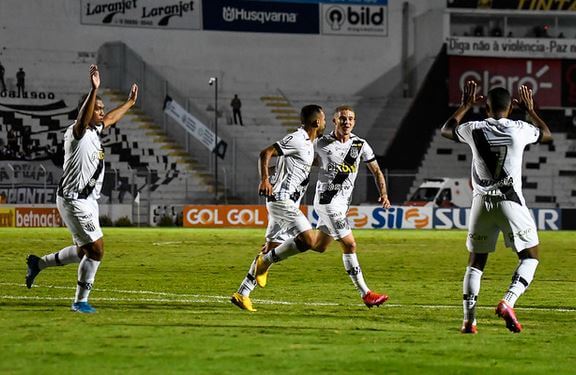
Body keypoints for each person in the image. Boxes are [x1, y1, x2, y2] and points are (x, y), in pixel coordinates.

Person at [441, 81, 552, 334]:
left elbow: (447, 130)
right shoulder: (519, 129)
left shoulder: (473, 127)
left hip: (481, 203)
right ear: (510, 108)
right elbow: (547, 134)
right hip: (510, 200)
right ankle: (507, 301)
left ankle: (469, 322)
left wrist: (465, 106)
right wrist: (530, 111)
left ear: (486, 108)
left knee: (476, 262)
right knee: (530, 256)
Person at [25, 64, 138, 313]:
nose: (101, 112)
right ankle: (80, 301)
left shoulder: (95, 131)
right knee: (97, 250)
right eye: (96, 108)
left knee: (83, 250)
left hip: (87, 201)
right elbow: (85, 118)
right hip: (74, 199)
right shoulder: (76, 133)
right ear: (84, 112)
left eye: (101, 108)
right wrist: (93, 89)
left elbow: (109, 119)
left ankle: (38, 264)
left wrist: (129, 103)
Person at [231, 104, 326, 311]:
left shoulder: (309, 145)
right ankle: (264, 262)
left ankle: (242, 292)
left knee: (272, 247)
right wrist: (265, 179)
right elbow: (266, 152)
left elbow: (287, 165)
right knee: (309, 240)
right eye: (324, 119)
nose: (325, 122)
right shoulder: (299, 138)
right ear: (317, 122)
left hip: (285, 201)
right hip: (282, 200)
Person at [311, 105, 391, 307]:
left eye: (351, 119)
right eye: (343, 118)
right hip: (327, 202)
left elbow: (377, 171)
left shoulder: (359, 145)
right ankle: (366, 294)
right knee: (350, 244)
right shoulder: (320, 143)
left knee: (318, 246)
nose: (347, 122)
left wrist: (384, 194)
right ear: (334, 121)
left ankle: (270, 256)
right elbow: (303, 162)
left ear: (354, 122)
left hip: (342, 205)